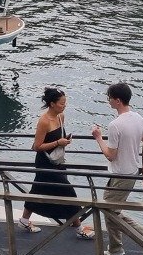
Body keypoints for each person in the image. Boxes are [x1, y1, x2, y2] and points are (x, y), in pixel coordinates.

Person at [90, 82, 143, 255]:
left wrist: (98, 138)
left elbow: (110, 155)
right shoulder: (138, 118)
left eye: (109, 98)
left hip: (119, 175)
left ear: (117, 100)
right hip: (132, 172)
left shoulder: (115, 125)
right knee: (111, 210)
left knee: (109, 210)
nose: (108, 101)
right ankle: (116, 249)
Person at [18, 87, 94, 238]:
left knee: (37, 190)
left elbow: (58, 139)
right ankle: (78, 227)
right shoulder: (44, 121)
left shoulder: (61, 117)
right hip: (45, 162)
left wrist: (64, 141)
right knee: (68, 192)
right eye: (61, 103)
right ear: (52, 104)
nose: (64, 106)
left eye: (65, 103)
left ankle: (24, 219)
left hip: (58, 161)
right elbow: (37, 146)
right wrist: (58, 142)